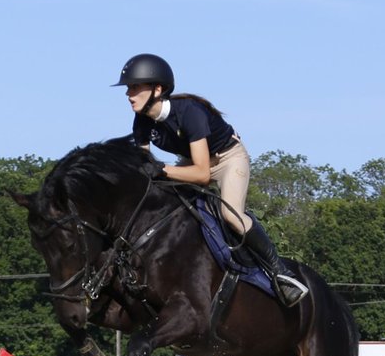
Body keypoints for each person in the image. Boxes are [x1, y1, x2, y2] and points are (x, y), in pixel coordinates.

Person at [114, 53, 306, 306]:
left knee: (231, 215)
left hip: (227, 159)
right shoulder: (141, 121)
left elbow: (202, 175)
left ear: (157, 89)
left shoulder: (189, 112)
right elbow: (145, 167)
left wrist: (161, 170)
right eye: (128, 88)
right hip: (192, 162)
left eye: (135, 87)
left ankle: (280, 272)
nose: (128, 94)